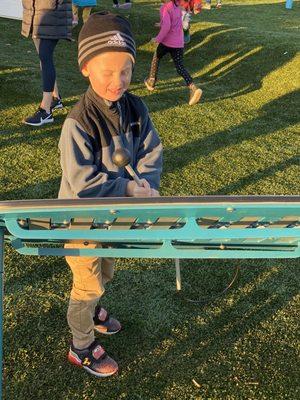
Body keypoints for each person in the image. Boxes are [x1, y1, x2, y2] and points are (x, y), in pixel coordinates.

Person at [58, 12, 163, 377]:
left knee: (106, 273)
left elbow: (151, 150)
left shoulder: (136, 108)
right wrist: (127, 188)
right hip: (81, 222)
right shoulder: (79, 122)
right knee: (86, 284)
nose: (118, 82)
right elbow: (82, 182)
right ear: (86, 67)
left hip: (113, 220)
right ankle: (81, 345)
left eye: (126, 72)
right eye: (108, 72)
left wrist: (147, 181)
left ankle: (96, 308)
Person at [21, 0, 72, 126]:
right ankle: (56, 98)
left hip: (51, 10)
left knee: (45, 56)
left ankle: (46, 110)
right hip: (33, 10)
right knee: (43, 57)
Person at [144, 0, 202, 106]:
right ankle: (193, 87)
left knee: (156, 57)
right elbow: (174, 22)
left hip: (167, 42)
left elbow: (167, 27)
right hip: (178, 43)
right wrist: (161, 23)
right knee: (180, 67)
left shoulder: (165, 7)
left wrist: (157, 39)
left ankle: (151, 81)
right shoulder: (177, 7)